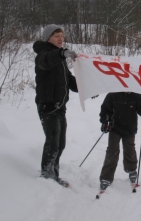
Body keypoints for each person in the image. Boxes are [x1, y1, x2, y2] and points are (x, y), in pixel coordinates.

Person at [33, 24, 78, 187]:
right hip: (48, 106)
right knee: (52, 142)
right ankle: (47, 175)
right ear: (48, 38)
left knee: (60, 143)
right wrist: (61, 53)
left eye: (62, 36)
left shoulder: (60, 59)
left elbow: (69, 80)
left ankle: (53, 174)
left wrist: (86, 88)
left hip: (60, 107)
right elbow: (46, 61)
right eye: (56, 35)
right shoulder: (43, 54)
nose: (61, 39)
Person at [99, 92, 141, 191]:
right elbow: (105, 110)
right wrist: (105, 121)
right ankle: (106, 177)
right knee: (112, 151)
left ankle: (131, 170)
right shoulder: (113, 94)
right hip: (114, 128)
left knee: (129, 149)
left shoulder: (136, 95)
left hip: (130, 128)